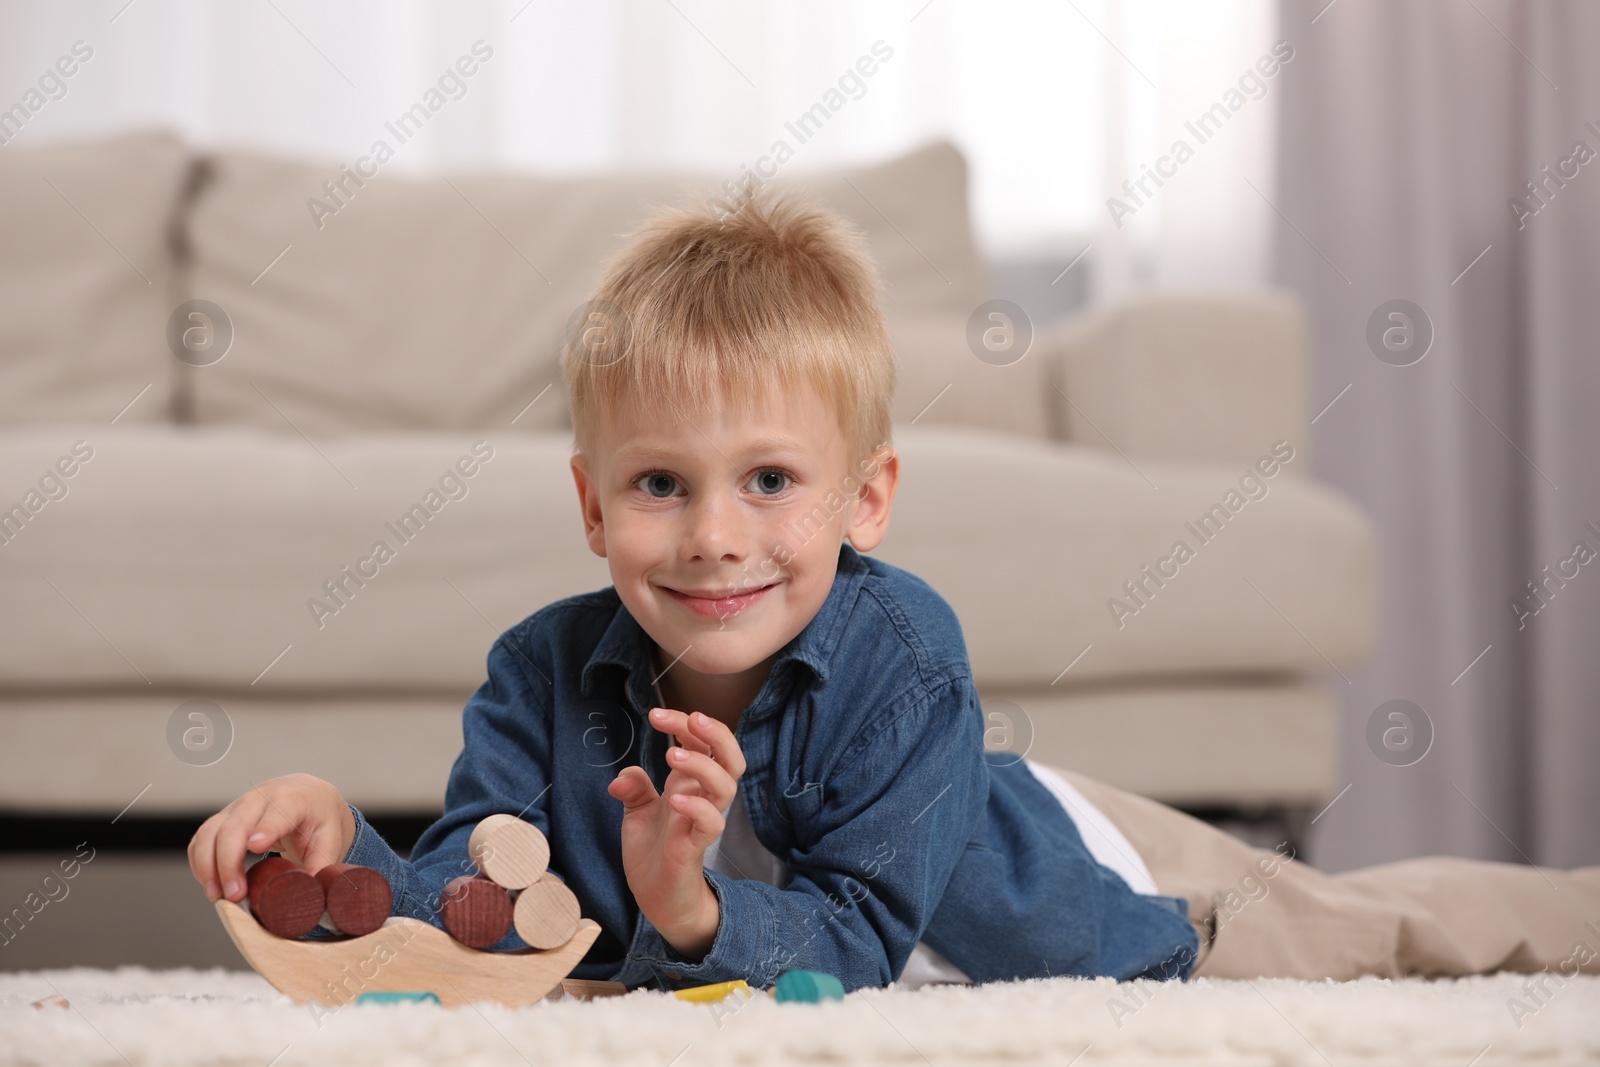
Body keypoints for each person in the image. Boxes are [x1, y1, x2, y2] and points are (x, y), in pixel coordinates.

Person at [188, 191, 1600, 993]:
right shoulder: (540, 670)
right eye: (661, 485)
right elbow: (491, 901)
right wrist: (346, 854)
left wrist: (686, 913)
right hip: (935, 888)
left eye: (772, 483)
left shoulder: (903, 650)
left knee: (1389, 934)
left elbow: (859, 942)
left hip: (1100, 886)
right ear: (591, 506)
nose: (713, 538)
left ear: (866, 501)